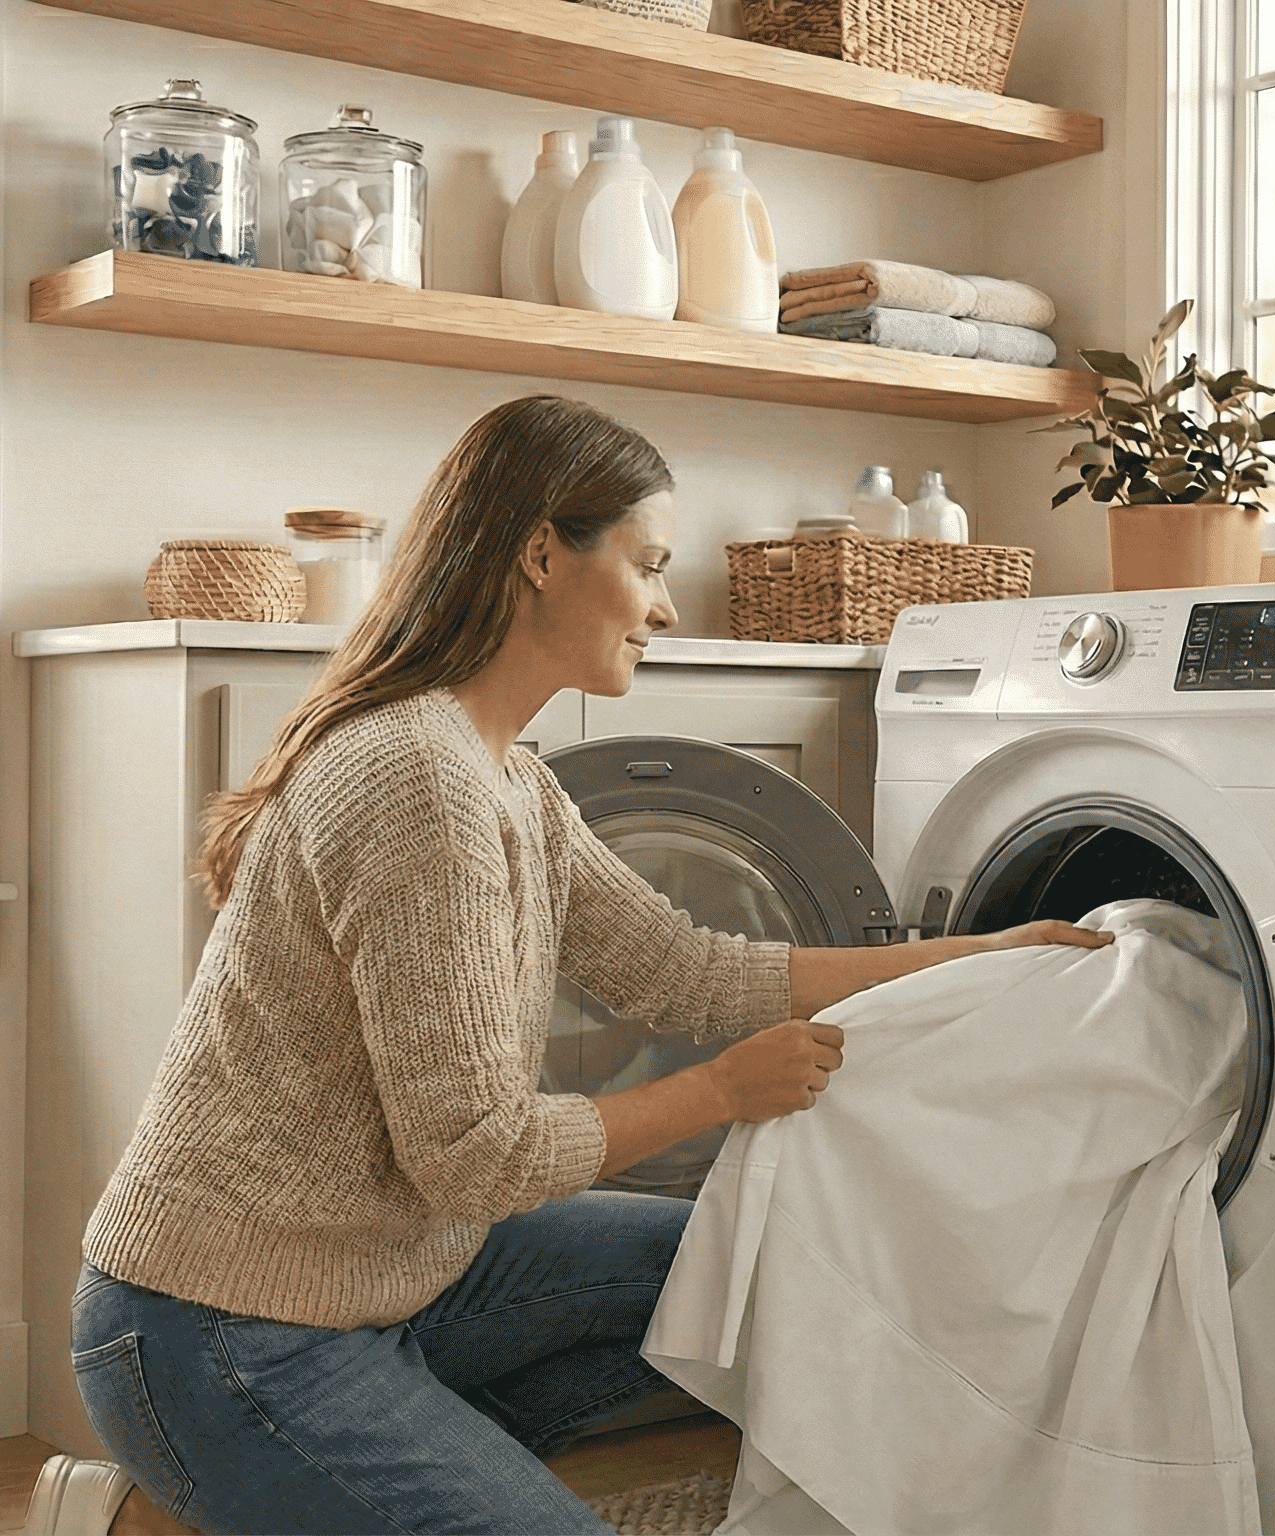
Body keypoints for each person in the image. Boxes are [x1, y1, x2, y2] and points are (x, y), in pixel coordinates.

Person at [63, 396, 1110, 1536]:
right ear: (537, 553)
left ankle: (249, 1504)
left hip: (387, 1278)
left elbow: (693, 974)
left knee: (758, 1263)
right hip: (218, 1329)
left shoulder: (510, 780)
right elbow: (474, 1158)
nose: (663, 603)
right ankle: (245, 1484)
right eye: (649, 563)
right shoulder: (421, 783)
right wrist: (717, 1092)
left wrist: (978, 956)